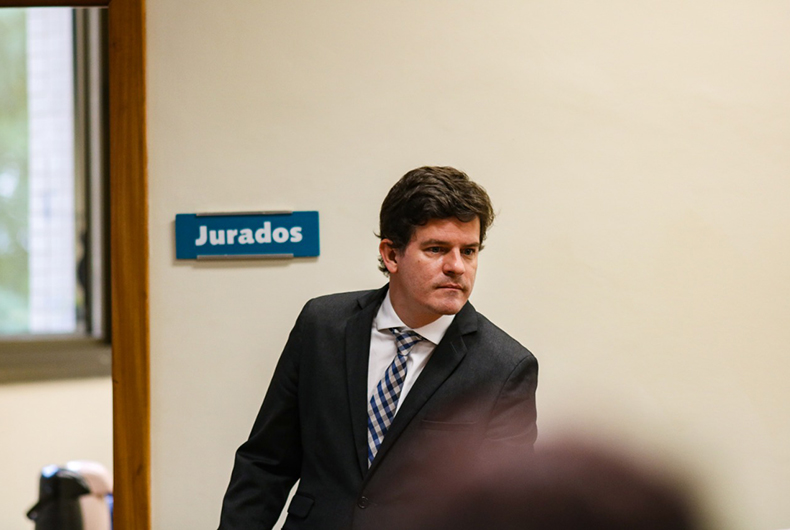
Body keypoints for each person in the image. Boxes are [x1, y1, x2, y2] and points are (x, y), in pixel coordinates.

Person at [218, 166, 538, 530]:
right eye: (436, 249)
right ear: (391, 255)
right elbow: (266, 462)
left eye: (469, 251)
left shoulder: (504, 368)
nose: (456, 267)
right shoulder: (321, 326)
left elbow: (504, 509)